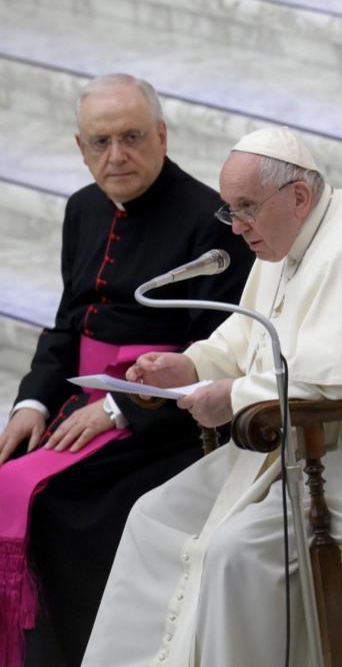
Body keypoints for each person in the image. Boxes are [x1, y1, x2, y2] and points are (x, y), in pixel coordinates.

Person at [79, 126, 342, 667]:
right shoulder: (283, 236)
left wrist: (231, 398)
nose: (236, 228)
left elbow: (338, 382)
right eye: (228, 211)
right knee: (150, 516)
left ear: (298, 197)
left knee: (233, 555)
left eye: (245, 208)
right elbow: (248, 333)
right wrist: (192, 364)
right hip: (301, 446)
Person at [0, 74, 252, 667]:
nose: (118, 155)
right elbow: (67, 326)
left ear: (163, 136)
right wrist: (30, 404)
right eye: (101, 141)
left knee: (63, 505)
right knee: (11, 469)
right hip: (76, 404)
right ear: (80, 147)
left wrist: (120, 407)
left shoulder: (211, 222)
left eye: (133, 136)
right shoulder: (82, 208)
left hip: (162, 421)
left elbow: (216, 347)